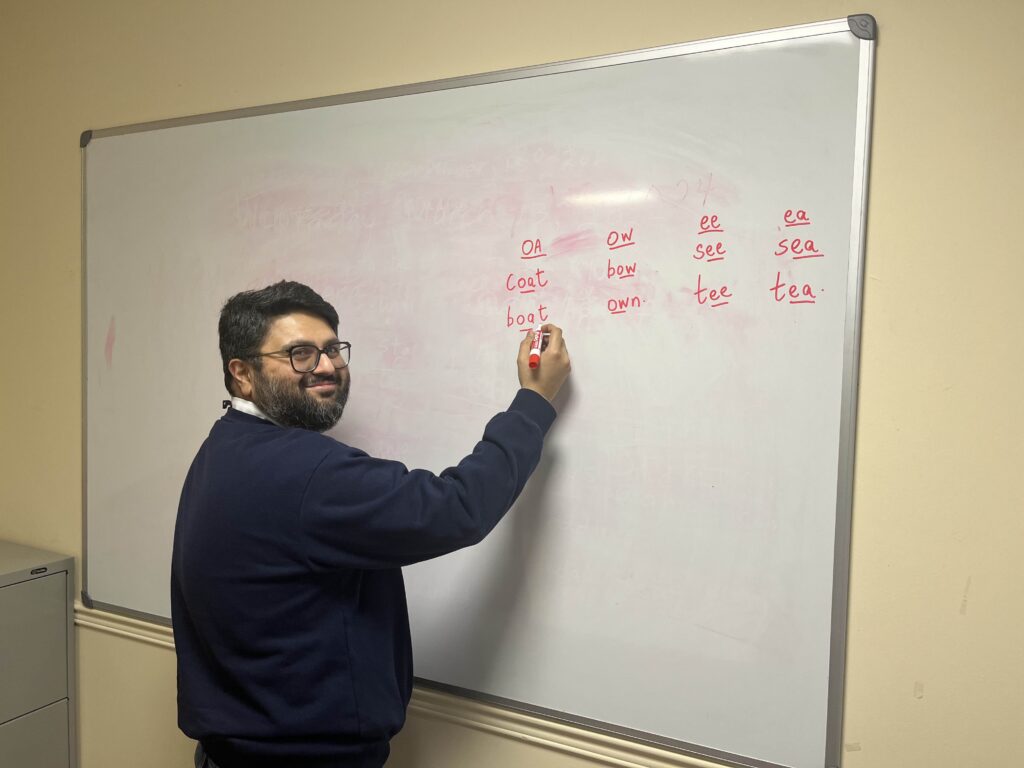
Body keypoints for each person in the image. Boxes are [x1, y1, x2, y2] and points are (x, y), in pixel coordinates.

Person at [170, 280, 570, 768]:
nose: (325, 366)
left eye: (333, 349)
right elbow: (456, 508)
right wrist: (534, 401)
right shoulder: (306, 471)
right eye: (299, 353)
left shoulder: (223, 446)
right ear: (242, 373)